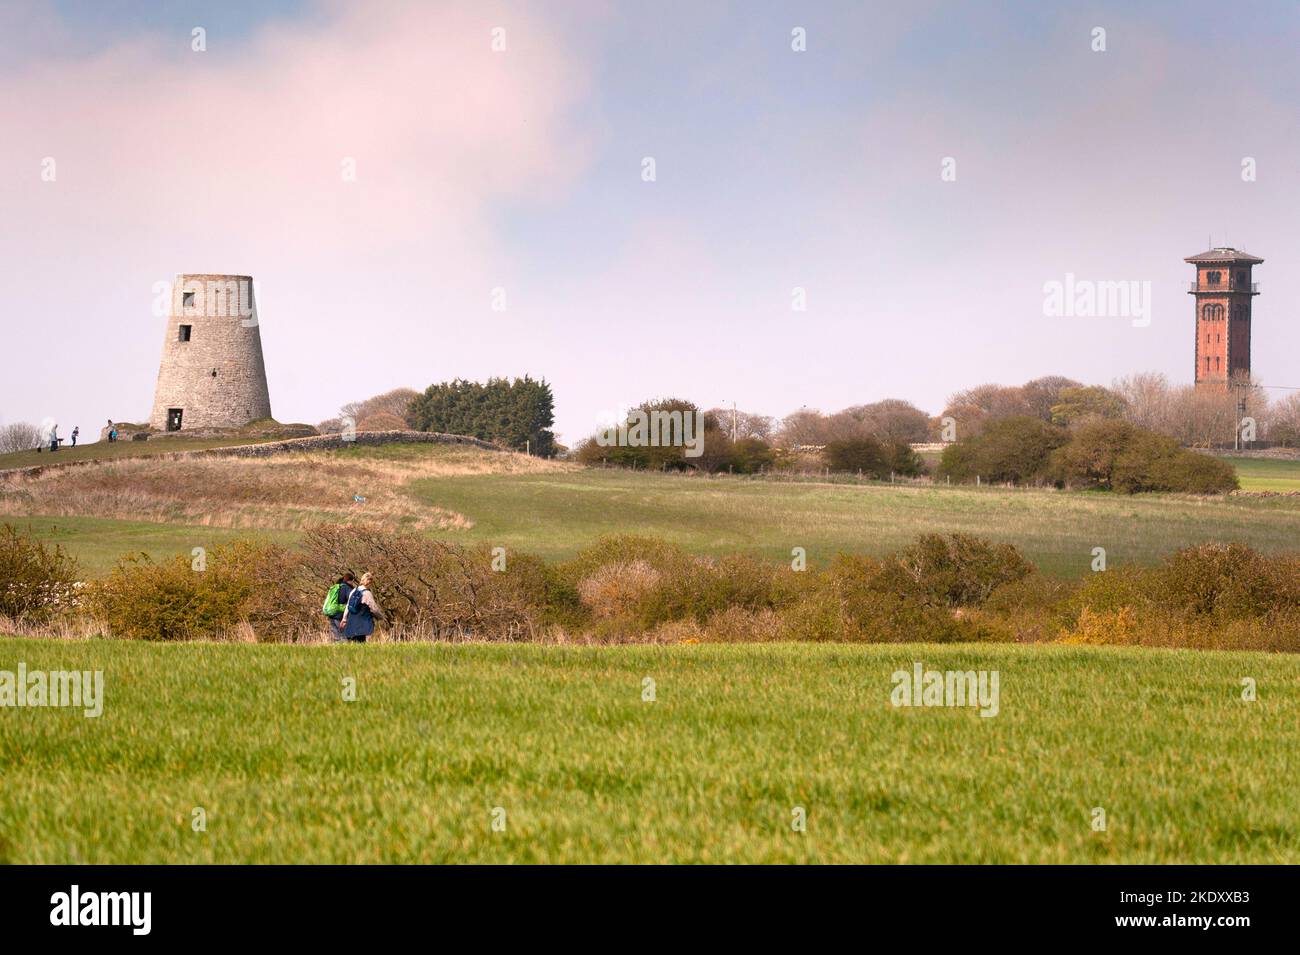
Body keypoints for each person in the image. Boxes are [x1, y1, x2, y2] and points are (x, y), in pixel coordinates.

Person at [339, 572, 380, 643]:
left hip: (351, 620)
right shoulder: (367, 593)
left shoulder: (354, 590)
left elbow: (348, 606)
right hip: (362, 621)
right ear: (369, 582)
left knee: (353, 644)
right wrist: (381, 617)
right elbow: (374, 608)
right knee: (361, 643)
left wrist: (344, 619)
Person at [321, 572, 356, 641]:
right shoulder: (346, 588)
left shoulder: (336, 586)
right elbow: (352, 599)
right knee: (344, 636)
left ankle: (336, 651)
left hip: (331, 613)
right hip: (340, 615)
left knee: (336, 637)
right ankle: (346, 650)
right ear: (350, 580)